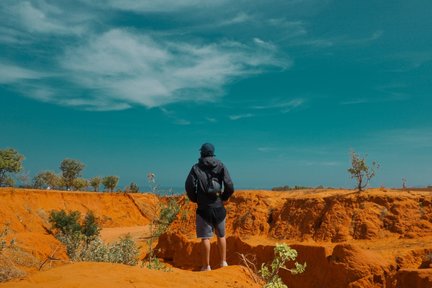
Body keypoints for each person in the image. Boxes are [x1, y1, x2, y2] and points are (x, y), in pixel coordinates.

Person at [185, 143, 234, 271]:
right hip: (219, 207)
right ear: (213, 153)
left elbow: (189, 186)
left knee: (205, 238)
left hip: (203, 208)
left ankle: (206, 266)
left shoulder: (196, 167)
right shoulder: (221, 165)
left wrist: (195, 199)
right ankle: (223, 262)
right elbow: (229, 185)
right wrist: (223, 197)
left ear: (201, 153)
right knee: (221, 236)